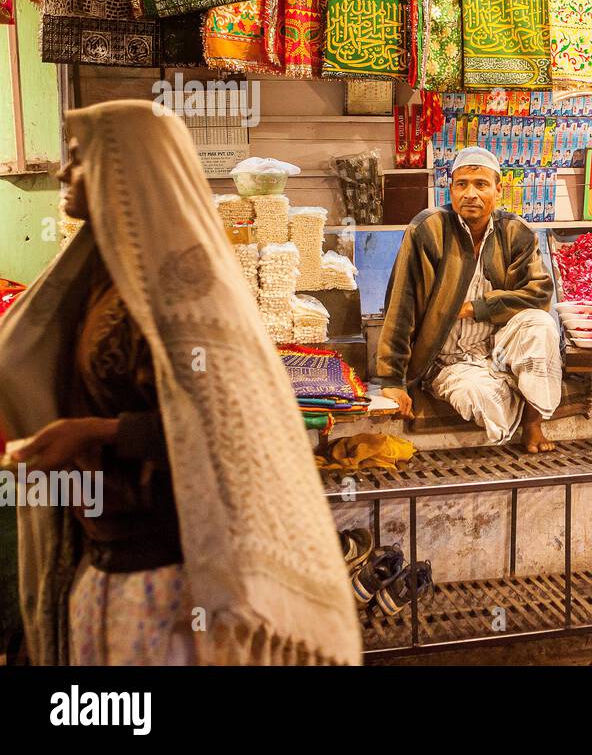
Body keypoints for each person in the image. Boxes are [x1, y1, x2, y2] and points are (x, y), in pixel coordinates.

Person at [0, 100, 360, 666]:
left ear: (128, 168)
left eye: (78, 158)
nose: (66, 173)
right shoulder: (97, 277)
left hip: (170, 579)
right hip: (104, 564)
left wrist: (93, 433)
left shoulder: (185, 293)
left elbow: (228, 432)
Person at [377, 146, 562, 453]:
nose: (470, 194)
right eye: (461, 184)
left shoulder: (517, 232)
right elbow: (402, 302)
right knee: (482, 401)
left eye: (481, 184)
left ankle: (532, 423)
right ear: (450, 190)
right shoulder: (429, 229)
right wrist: (392, 380)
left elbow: (539, 293)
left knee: (541, 324)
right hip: (447, 361)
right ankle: (515, 390)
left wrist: (479, 308)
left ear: (498, 190)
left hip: (498, 350)